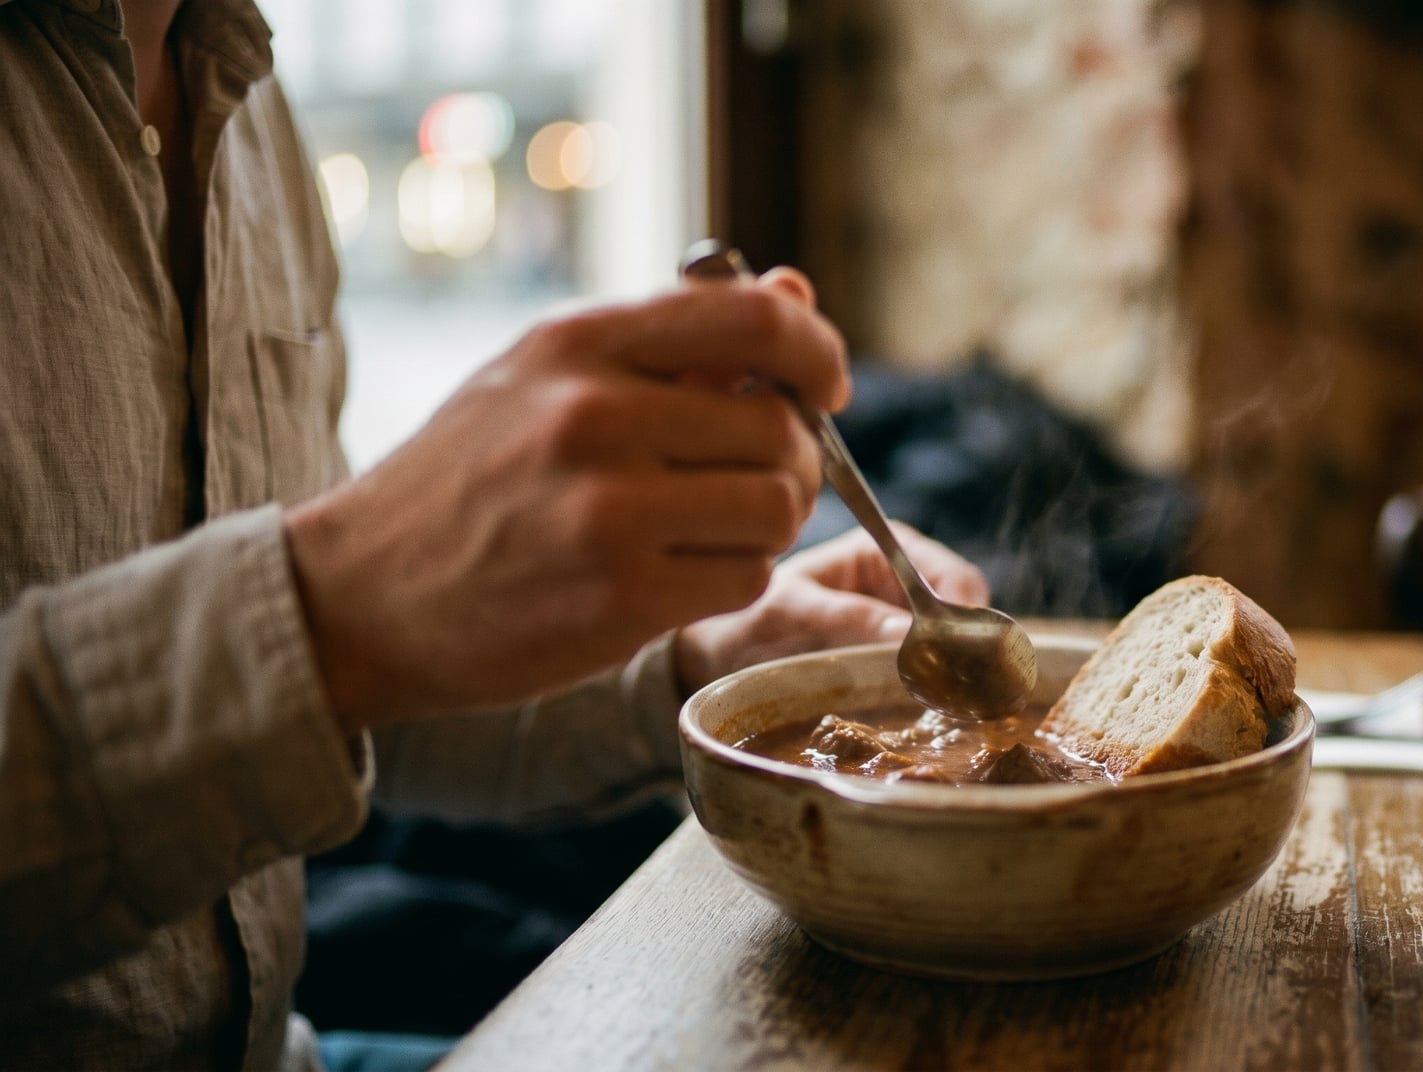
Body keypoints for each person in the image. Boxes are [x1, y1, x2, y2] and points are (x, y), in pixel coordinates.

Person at [0, 0, 991, 1068]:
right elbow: (323, 647)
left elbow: (361, 709)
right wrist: (335, 602)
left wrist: (702, 666)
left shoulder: (246, 102)